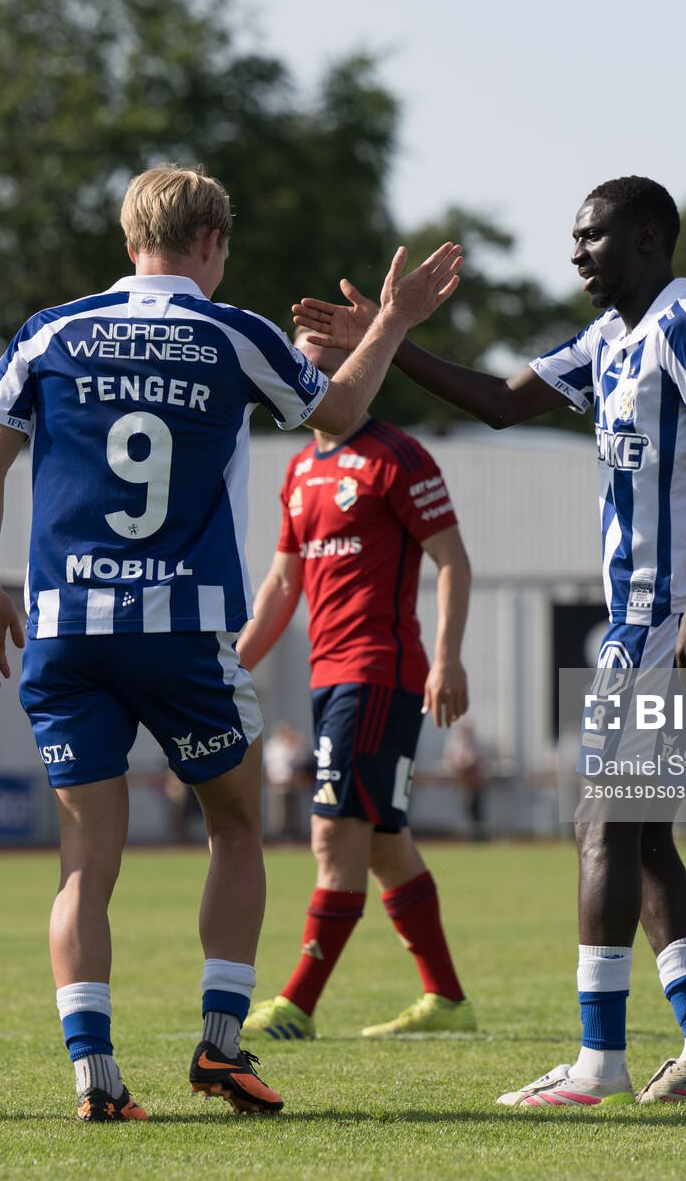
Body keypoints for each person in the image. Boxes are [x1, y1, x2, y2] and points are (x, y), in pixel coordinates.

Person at [0, 165, 462, 1122]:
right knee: (233, 827)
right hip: (180, 629)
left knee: (84, 864)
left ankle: (95, 1078)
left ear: (128, 240)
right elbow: (340, 413)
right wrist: (393, 320)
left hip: (68, 632)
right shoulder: (232, 333)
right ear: (212, 242)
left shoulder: (49, 332)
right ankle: (221, 1047)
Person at [296, 175, 686, 1109]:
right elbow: (501, 401)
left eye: (592, 237)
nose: (576, 253)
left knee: (602, 824)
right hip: (661, 613)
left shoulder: (684, 326)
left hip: (677, 610)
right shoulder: (608, 339)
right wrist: (387, 338)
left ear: (647, 239)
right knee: (640, 831)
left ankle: (598, 1064)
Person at [238, 334, 477, 1043]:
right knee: (382, 842)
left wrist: (447, 659)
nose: (303, 376)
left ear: (356, 372)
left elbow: (452, 560)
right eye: (296, 363)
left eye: (320, 364)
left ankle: (297, 1005)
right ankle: (447, 1000)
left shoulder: (396, 456)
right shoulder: (299, 469)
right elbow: (282, 586)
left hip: (376, 673)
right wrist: (232, 665)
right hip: (331, 678)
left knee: (332, 833)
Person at [261, 721, 309, 841]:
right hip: (277, 782)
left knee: (292, 811)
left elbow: (299, 760)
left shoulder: (291, 744)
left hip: (291, 783)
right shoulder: (272, 746)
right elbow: (270, 765)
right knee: (278, 811)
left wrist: (296, 743)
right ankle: (278, 835)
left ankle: (292, 834)